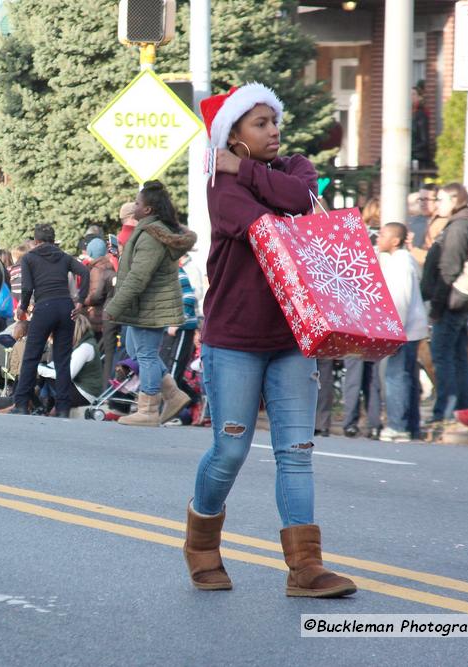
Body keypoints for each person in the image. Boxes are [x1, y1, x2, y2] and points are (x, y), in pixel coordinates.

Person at [183, 82, 356, 598]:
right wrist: (245, 177)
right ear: (232, 135)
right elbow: (261, 222)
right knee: (231, 449)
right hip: (233, 337)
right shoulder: (220, 184)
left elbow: (304, 197)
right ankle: (202, 545)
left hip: (291, 336)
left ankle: (306, 569)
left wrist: (251, 169)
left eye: (274, 121)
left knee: (297, 451)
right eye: (259, 123)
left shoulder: (295, 168)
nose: (274, 130)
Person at [106, 181, 195, 427]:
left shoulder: (150, 236)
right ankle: (174, 395)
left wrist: (114, 307)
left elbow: (138, 277)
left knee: (144, 354)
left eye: (137, 202)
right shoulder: (149, 231)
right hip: (143, 306)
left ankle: (148, 409)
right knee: (137, 351)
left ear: (147, 210)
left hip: (149, 306)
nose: (134, 205)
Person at [11, 224, 89, 417]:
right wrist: (80, 301)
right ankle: (63, 408)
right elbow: (85, 273)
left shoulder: (29, 258)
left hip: (44, 308)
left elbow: (28, 288)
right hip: (65, 307)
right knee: (63, 359)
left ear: (36, 242)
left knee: (31, 356)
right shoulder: (64, 257)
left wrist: (22, 308)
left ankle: (21, 403)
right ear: (54, 240)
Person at [421, 183, 468, 424]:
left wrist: (436, 308)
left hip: (451, 302)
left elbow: (449, 271)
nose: (437, 205)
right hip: (458, 302)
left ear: (456, 201)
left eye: (442, 200)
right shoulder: (464, 224)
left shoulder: (457, 228)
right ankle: (461, 412)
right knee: (457, 356)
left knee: (443, 357)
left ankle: (445, 413)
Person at [376, 223, 428, 442]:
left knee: (395, 377)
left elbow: (400, 300)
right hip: (411, 328)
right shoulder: (402, 260)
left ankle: (397, 426)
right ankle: (412, 426)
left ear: (395, 240)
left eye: (383, 235)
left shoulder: (400, 263)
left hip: (403, 329)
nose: (378, 238)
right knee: (407, 377)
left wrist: (394, 332)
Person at [159, 263, 201, 416]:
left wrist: (176, 322)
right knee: (164, 369)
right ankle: (194, 401)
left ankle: (169, 411)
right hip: (167, 328)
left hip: (181, 328)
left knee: (173, 370)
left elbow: (189, 298)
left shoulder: (174, 270)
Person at [83, 237, 117, 336]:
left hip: (97, 315)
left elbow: (96, 295)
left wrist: (83, 300)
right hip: (104, 312)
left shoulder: (97, 270)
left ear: (91, 253)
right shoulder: (107, 265)